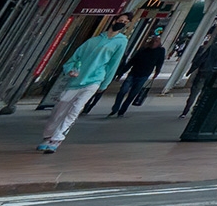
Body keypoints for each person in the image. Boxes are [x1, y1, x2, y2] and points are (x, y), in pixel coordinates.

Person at [41, 20, 130, 152]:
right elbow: (75, 58)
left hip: (95, 79)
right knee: (60, 108)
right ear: (113, 21)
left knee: (76, 108)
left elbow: (113, 64)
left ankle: (57, 138)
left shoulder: (121, 42)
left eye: (125, 22)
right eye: (120, 20)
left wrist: (105, 83)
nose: (121, 23)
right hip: (77, 79)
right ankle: (48, 135)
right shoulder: (92, 41)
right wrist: (70, 69)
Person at [110, 26, 166, 115]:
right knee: (122, 91)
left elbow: (160, 62)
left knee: (133, 94)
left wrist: (157, 71)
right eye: (153, 41)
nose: (154, 43)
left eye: (157, 41)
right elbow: (132, 61)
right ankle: (115, 107)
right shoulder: (143, 49)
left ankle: (123, 109)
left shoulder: (160, 51)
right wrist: (121, 73)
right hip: (133, 73)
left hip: (144, 75)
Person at [179, 28, 217, 114]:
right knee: (205, 92)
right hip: (214, 73)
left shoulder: (213, 46)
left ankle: (185, 110)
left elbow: (202, 59)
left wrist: (190, 70)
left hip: (203, 71)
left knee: (194, 92)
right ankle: (197, 109)